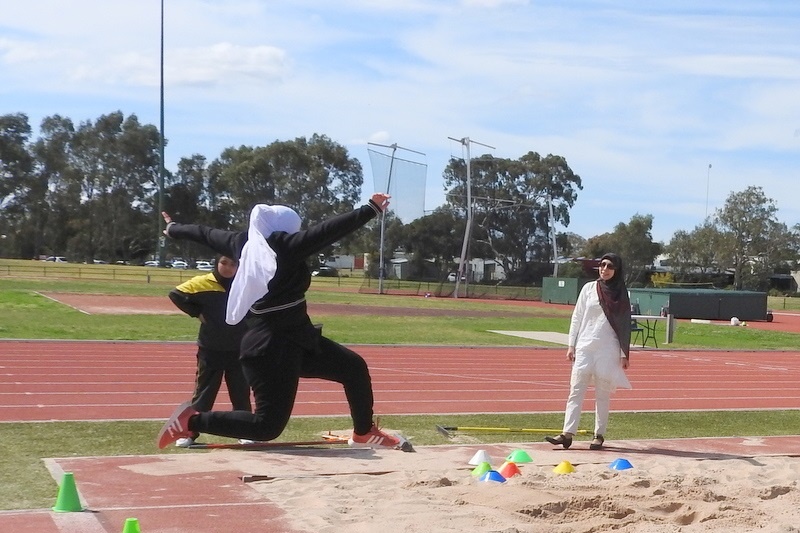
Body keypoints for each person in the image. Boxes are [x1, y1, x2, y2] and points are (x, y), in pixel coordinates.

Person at [156, 193, 408, 450]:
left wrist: (174, 229)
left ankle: (364, 432)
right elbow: (327, 231)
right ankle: (192, 421)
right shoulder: (284, 246)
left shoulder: (241, 242)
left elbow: (205, 233)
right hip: (271, 348)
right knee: (266, 427)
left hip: (297, 337)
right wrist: (370, 209)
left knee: (352, 367)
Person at [546, 252, 632, 450]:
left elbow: (624, 324)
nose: (605, 269)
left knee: (602, 393)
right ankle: (567, 433)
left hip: (608, 349)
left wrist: (624, 354)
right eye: (602, 265)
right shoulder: (589, 289)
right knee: (575, 390)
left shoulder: (621, 294)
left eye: (610, 266)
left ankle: (598, 435)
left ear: (616, 270)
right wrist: (571, 344)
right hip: (585, 346)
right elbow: (577, 317)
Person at [168, 255, 253, 447]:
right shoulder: (204, 282)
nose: (228, 268)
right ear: (217, 263)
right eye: (224, 263)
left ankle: (245, 432)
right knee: (203, 395)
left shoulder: (243, 284)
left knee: (241, 394)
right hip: (211, 349)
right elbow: (175, 294)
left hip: (239, 350)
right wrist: (196, 312)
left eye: (233, 264)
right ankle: (190, 433)